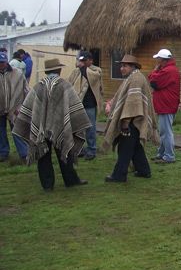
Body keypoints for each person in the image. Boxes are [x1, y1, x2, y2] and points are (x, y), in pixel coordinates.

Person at [12, 58, 90, 190]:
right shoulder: (65, 86)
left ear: (46, 71)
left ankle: (47, 185)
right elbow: (74, 105)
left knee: (43, 155)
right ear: (59, 70)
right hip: (61, 126)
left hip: (41, 128)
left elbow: (28, 106)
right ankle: (71, 181)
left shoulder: (38, 87)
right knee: (65, 152)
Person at [103, 54, 159, 182]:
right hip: (135, 120)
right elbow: (124, 98)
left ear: (132, 66)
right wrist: (111, 104)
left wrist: (125, 123)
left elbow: (133, 105)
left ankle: (119, 175)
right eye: (121, 66)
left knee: (125, 149)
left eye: (125, 66)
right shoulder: (133, 77)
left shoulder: (135, 79)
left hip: (133, 121)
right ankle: (144, 171)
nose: (122, 68)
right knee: (135, 147)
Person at [67, 51, 104, 160]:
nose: (82, 62)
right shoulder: (76, 71)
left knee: (90, 128)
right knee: (77, 128)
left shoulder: (96, 70)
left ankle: (92, 150)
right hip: (78, 103)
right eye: (81, 60)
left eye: (84, 60)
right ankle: (80, 149)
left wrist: (82, 67)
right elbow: (70, 83)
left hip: (90, 104)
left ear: (90, 60)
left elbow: (91, 76)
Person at [148, 48, 181, 164]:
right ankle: (162, 153)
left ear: (164, 60)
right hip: (165, 104)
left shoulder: (168, 71)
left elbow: (153, 82)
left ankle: (169, 156)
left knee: (166, 132)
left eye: (159, 59)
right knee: (163, 131)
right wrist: (156, 71)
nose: (157, 61)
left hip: (166, 105)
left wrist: (155, 71)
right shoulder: (169, 69)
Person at [0, 51, 29, 162]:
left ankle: (24, 154)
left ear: (7, 62)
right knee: (1, 132)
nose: (1, 65)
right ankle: (3, 153)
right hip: (0, 108)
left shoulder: (18, 73)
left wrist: (23, 106)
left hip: (15, 108)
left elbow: (26, 90)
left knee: (17, 131)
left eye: (3, 62)